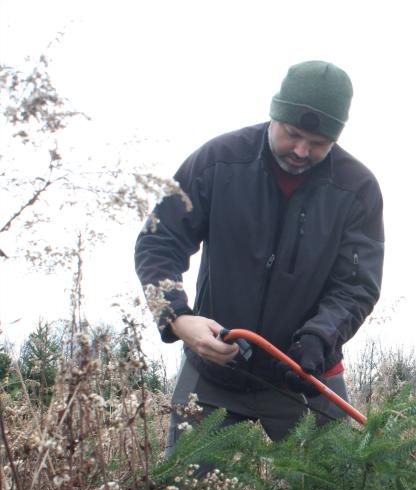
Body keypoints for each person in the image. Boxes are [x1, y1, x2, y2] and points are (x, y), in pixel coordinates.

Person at [135, 60, 384, 455]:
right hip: (213, 370)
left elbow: (356, 286)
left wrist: (319, 339)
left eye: (318, 143)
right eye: (293, 134)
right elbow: (158, 242)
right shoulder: (217, 161)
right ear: (275, 115)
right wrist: (179, 319)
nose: (301, 151)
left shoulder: (357, 189)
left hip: (306, 375)